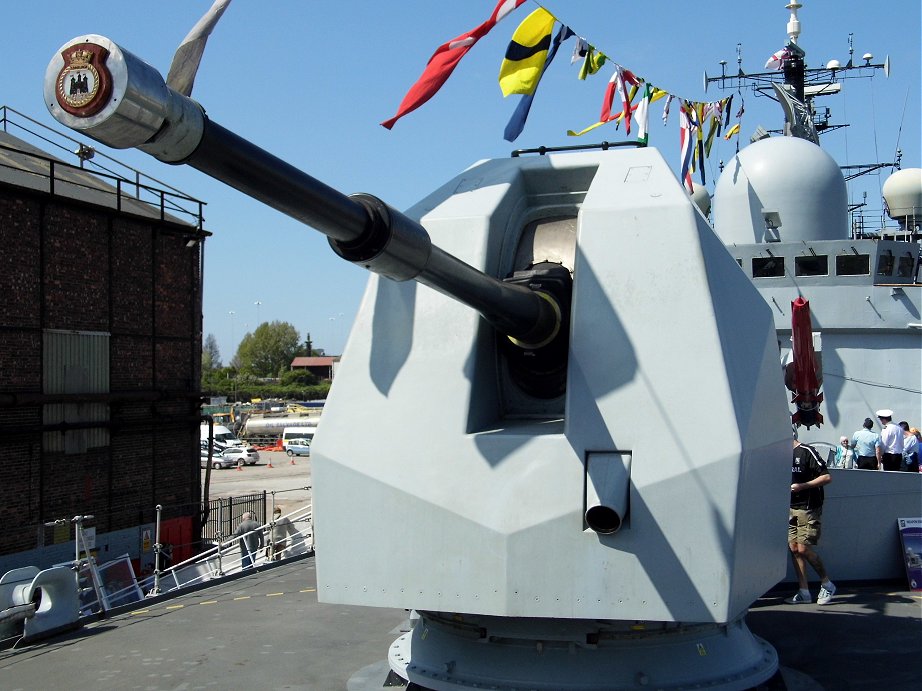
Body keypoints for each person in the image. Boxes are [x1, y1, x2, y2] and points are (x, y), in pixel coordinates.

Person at [787, 432, 835, 605]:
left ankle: (827, 584)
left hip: (808, 507)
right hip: (791, 506)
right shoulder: (781, 454)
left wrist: (803, 486)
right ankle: (804, 591)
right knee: (793, 548)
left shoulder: (807, 451)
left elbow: (826, 476)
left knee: (803, 548)